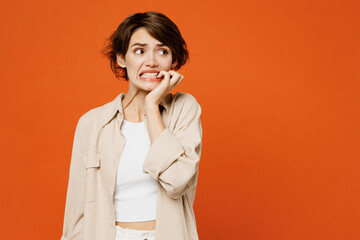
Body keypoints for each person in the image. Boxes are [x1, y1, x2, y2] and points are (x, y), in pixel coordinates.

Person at [60, 11, 203, 240]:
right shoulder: (92, 123)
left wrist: (151, 105)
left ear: (173, 61)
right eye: (139, 51)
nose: (151, 61)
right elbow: (77, 209)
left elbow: (176, 181)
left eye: (162, 51)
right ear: (121, 59)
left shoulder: (184, 109)